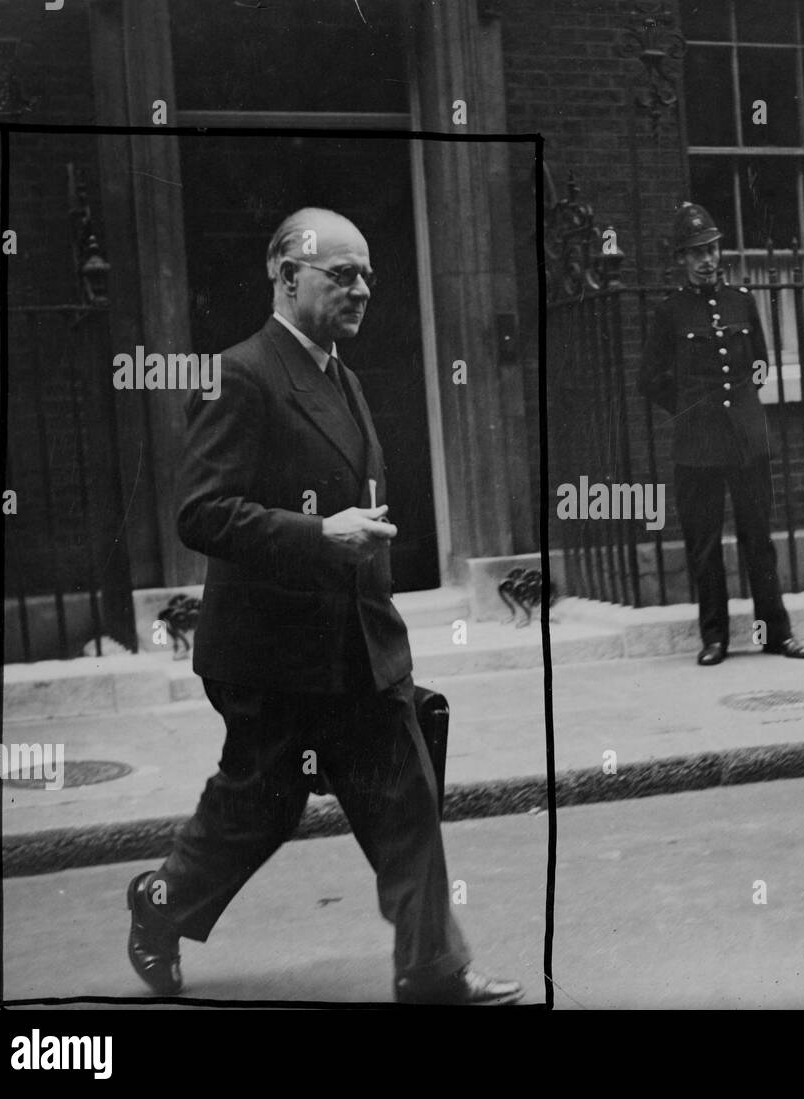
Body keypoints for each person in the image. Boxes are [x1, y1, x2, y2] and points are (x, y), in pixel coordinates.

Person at [125, 207, 523, 1005]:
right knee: (256, 812)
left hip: (356, 648)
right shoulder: (240, 372)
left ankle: (431, 969)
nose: (362, 288)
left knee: (406, 796)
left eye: (367, 273)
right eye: (342, 274)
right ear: (286, 275)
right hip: (274, 657)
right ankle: (157, 906)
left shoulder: (344, 377)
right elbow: (201, 512)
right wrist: (319, 531)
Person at [639, 202, 804, 667]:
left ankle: (776, 633)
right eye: (695, 253)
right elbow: (650, 378)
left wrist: (740, 409)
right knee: (705, 543)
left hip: (746, 442)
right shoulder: (669, 313)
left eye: (711, 249)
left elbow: (760, 364)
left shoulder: (742, 302)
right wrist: (694, 410)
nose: (706, 260)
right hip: (697, 447)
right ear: (681, 260)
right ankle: (714, 638)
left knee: (760, 539)